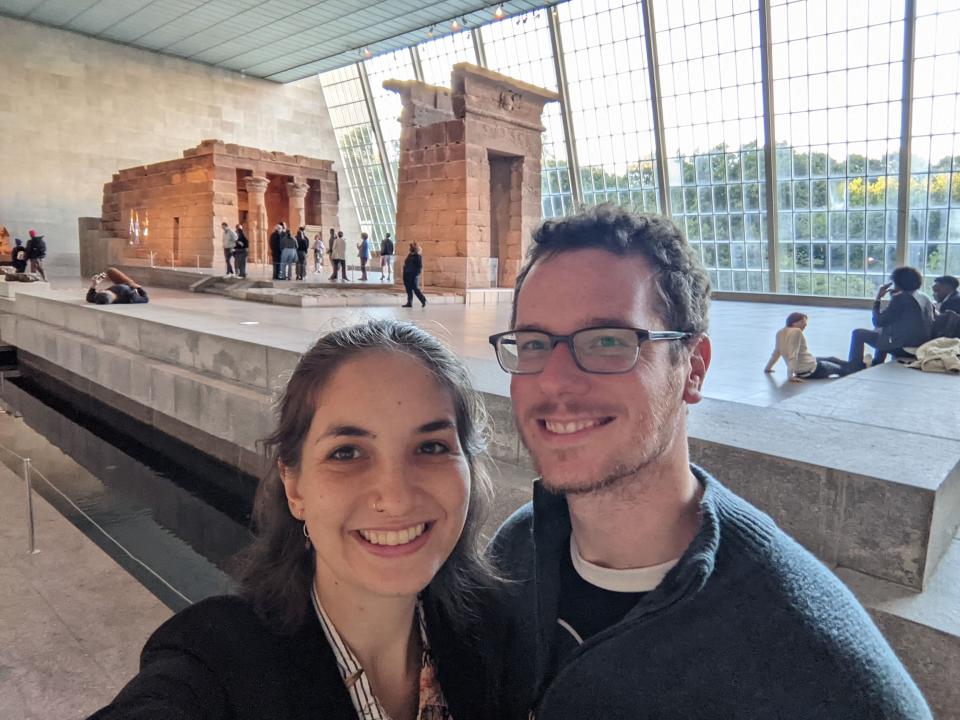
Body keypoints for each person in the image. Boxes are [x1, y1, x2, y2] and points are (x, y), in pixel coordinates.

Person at [486, 205, 930, 720]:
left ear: (693, 369)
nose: (554, 381)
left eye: (609, 341)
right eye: (535, 343)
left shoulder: (817, 662)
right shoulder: (518, 550)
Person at [86, 319, 500, 720]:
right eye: (347, 453)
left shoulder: (497, 638)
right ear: (294, 486)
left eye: (430, 447)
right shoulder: (216, 659)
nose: (394, 498)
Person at [847, 266, 935, 372]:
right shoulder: (924, 297)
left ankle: (854, 366)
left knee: (858, 333)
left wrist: (878, 298)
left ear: (898, 282)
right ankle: (877, 362)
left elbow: (878, 322)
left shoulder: (901, 299)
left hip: (905, 348)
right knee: (885, 331)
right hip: (922, 345)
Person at [764, 312, 847, 381]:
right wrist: (790, 376)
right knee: (843, 370)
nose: (805, 325)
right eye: (803, 322)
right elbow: (793, 355)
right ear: (794, 322)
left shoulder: (780, 332)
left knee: (832, 358)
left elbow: (777, 352)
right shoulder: (796, 331)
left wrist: (768, 368)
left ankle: (852, 365)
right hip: (812, 371)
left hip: (806, 365)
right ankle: (854, 368)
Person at [401, 243, 427, 308]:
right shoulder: (409, 255)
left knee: (416, 289)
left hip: (413, 275)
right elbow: (406, 263)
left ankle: (423, 300)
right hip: (407, 274)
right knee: (408, 289)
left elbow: (420, 267)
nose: (410, 249)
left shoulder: (418, 257)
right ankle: (409, 302)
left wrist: (416, 274)